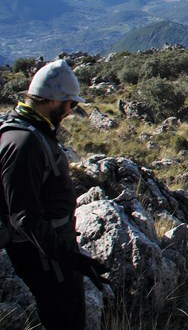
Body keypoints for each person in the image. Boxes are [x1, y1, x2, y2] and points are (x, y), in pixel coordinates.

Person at [0, 59, 109, 330]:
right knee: (64, 319)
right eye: (70, 104)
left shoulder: (29, 129)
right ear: (52, 101)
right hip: (46, 259)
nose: (72, 111)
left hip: (52, 252)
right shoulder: (24, 143)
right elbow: (25, 218)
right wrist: (74, 260)